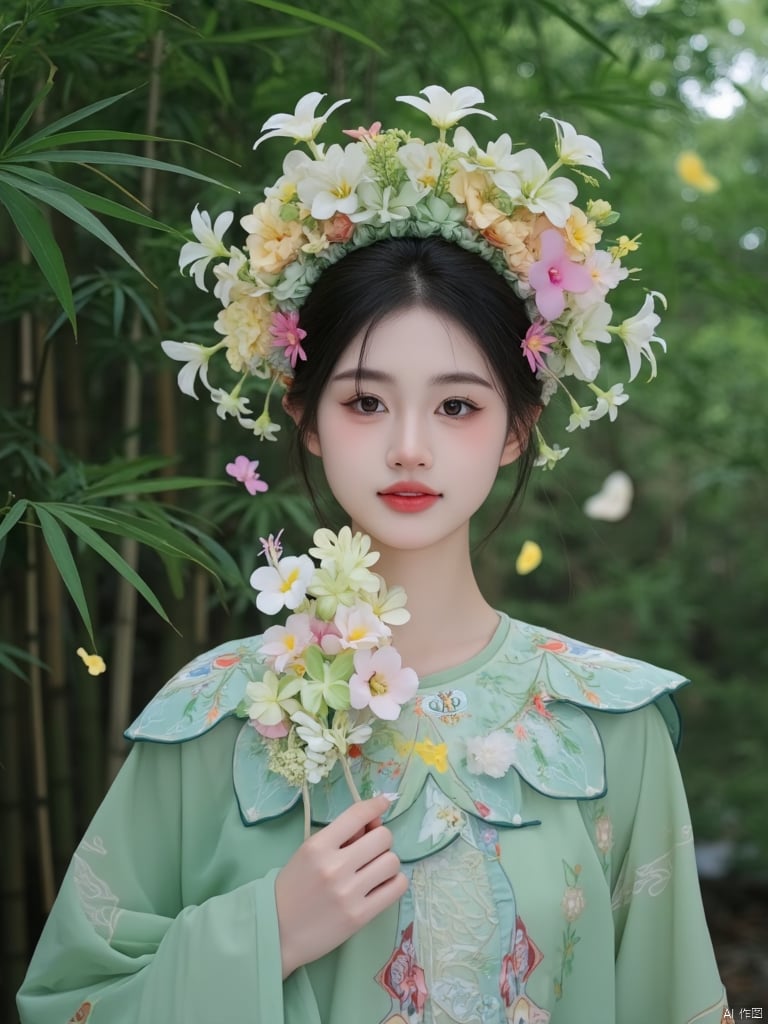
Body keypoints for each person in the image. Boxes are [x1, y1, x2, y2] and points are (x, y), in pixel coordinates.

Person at [18, 86, 727, 1024]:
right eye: (364, 401)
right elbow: (72, 1004)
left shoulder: (613, 727)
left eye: (457, 405)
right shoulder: (213, 718)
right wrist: (266, 931)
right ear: (304, 417)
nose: (408, 447)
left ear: (517, 429)